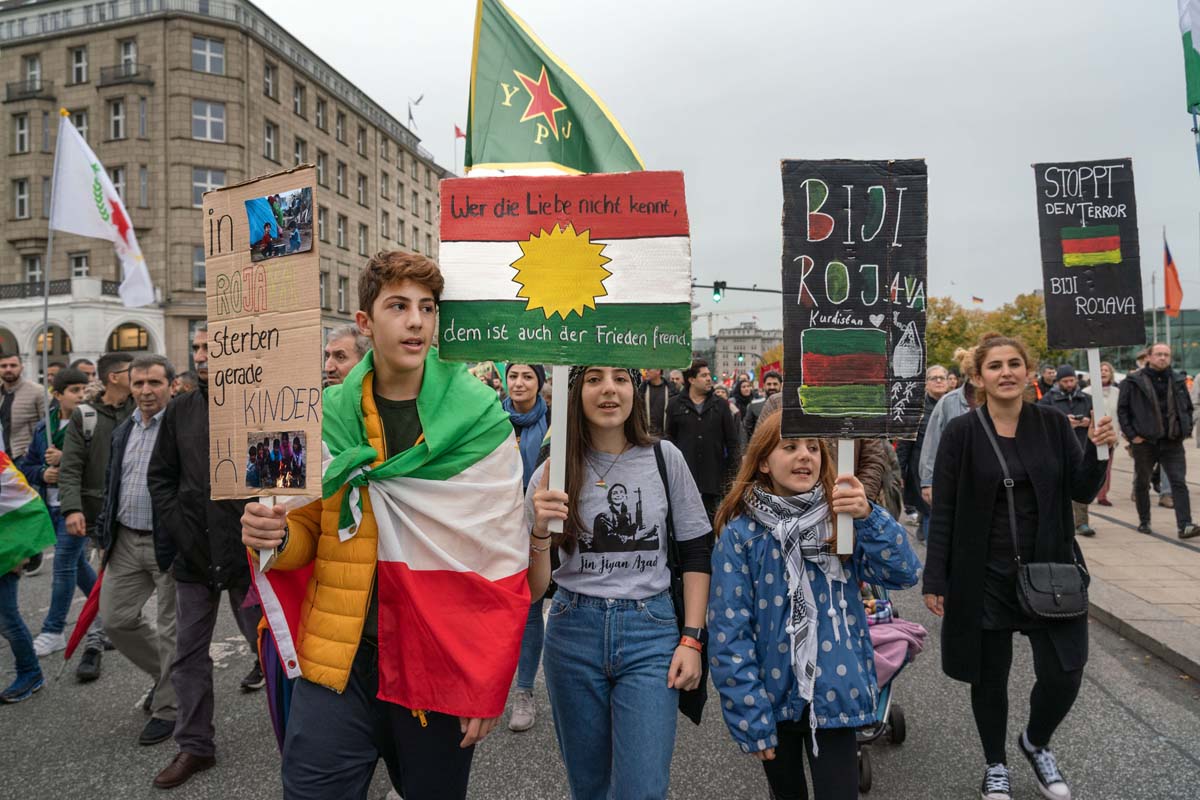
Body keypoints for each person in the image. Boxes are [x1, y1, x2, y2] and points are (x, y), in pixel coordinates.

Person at [241, 251, 528, 800]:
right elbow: (303, 536)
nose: (416, 321)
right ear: (366, 322)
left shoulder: (482, 419)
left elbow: (500, 560)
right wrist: (272, 536)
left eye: (426, 307)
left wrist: (486, 680)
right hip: (339, 655)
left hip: (433, 657)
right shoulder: (315, 414)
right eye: (398, 306)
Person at [923, 333, 1118, 800]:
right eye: (995, 366)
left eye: (1015, 363)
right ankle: (995, 764)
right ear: (978, 377)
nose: (1006, 372)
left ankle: (1035, 741)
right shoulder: (961, 433)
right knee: (990, 678)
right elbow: (944, 509)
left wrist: (1098, 448)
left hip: (1051, 571)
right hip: (983, 574)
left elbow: (1083, 490)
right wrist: (936, 577)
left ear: (1028, 372)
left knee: (1066, 672)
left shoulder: (1051, 424)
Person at [709, 411, 921, 800]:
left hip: (835, 691)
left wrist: (869, 516)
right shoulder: (741, 535)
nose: (804, 455)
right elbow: (729, 631)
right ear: (762, 461)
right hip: (772, 696)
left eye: (813, 448)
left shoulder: (840, 521)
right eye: (790, 447)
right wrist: (749, 713)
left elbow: (904, 572)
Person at [526, 365, 711, 800]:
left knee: (642, 789)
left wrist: (693, 639)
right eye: (593, 379)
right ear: (576, 392)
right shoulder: (551, 473)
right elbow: (533, 591)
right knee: (588, 787)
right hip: (573, 632)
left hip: (651, 633)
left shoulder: (666, 459)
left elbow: (698, 551)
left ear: (635, 389)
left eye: (620, 379)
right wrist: (538, 531)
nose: (609, 388)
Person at [147, 325, 263, 789]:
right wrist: (180, 527)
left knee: (269, 648)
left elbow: (280, 479)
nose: (200, 355)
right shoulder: (180, 411)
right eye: (195, 348)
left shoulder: (258, 402)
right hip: (193, 556)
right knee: (188, 655)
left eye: (209, 347)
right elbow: (162, 478)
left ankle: (300, 731)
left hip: (246, 555)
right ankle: (194, 745)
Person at [95, 354, 179, 746]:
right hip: (126, 540)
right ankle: (168, 679)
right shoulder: (122, 431)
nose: (146, 391)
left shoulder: (182, 427)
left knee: (172, 631)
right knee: (115, 619)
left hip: (169, 543)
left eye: (154, 383)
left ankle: (169, 707)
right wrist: (104, 536)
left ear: (171, 386)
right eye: (139, 383)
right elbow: (114, 483)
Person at [58, 351, 135, 679]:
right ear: (115, 376)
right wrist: (72, 508)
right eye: (134, 372)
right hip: (103, 516)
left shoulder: (145, 408)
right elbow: (70, 466)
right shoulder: (85, 416)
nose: (141, 379)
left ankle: (167, 679)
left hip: (145, 514)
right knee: (109, 581)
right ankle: (93, 644)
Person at [17, 367, 96, 659]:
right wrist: (43, 472)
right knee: (78, 568)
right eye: (74, 391)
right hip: (49, 505)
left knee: (63, 565)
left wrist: (67, 459)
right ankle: (105, 614)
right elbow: (27, 467)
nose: (81, 395)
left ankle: (53, 630)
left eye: (84, 389)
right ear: (57, 395)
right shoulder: (44, 428)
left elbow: (99, 465)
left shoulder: (90, 424)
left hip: (76, 507)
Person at [503, 362, 550, 733]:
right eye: (513, 376)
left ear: (540, 383)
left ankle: (524, 691)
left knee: (532, 607)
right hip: (495, 527)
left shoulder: (554, 425)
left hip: (537, 529)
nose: (519, 383)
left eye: (527, 376)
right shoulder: (489, 419)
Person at [1117, 343, 1200, 539]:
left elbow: (1188, 407)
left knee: (1179, 482)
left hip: (1172, 441)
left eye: (1166, 355)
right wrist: (1132, 436)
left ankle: (1185, 525)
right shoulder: (1134, 381)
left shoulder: (1178, 380)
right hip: (1144, 441)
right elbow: (1123, 410)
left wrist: (1185, 429)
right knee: (1142, 482)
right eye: (1159, 354)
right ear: (1149, 357)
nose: (1163, 358)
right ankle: (1144, 520)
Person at [0, 451, 56, 703]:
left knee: (7, 620)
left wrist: (21, 549)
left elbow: (23, 499)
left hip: (5, 552)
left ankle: (30, 672)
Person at [666, 359, 742, 521]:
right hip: (684, 478)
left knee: (711, 525)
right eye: (704, 375)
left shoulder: (720, 405)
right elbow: (669, 440)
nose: (709, 378)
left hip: (713, 479)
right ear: (691, 380)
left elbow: (732, 442)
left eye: (709, 375)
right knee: (685, 524)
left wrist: (732, 476)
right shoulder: (675, 405)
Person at [919, 347, 979, 514]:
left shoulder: (1000, 401)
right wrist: (927, 481)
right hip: (957, 481)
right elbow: (932, 443)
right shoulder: (948, 402)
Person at [1039, 365, 1096, 537]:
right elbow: (1041, 421)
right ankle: (1059, 521)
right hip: (1056, 447)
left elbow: (1099, 418)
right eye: (1065, 381)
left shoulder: (1086, 398)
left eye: (1072, 380)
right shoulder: (1048, 399)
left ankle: (1082, 522)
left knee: (1081, 483)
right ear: (1059, 382)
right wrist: (1063, 422)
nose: (1069, 384)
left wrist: (1088, 422)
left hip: (1081, 444)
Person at [897, 364, 949, 541]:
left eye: (943, 377)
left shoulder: (956, 405)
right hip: (923, 468)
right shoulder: (916, 409)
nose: (939, 381)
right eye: (934, 378)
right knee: (931, 511)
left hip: (950, 469)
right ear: (926, 384)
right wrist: (900, 472)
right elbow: (905, 443)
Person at [0, 349, 48, 459]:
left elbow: (48, 426)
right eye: (3, 366)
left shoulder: (38, 392)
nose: (8, 369)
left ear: (21, 367)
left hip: (25, 458)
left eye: (13, 365)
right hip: (3, 461)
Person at [1088, 361, 1118, 506]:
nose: (1103, 372)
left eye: (1106, 370)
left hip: (1111, 435)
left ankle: (1102, 495)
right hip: (1091, 435)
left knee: (1107, 466)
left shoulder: (1117, 392)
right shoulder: (1087, 392)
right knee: (1092, 464)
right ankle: (1089, 491)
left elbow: (1120, 413)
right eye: (1100, 370)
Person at [742, 370, 782, 439]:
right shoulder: (754, 405)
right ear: (764, 385)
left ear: (781, 385)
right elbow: (747, 431)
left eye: (775, 384)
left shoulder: (788, 406)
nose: (772, 387)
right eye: (769, 384)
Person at [638, 367, 677, 437]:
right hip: (647, 435)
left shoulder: (671, 389)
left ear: (658, 370)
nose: (646, 372)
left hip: (667, 436)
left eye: (649, 369)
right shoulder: (643, 389)